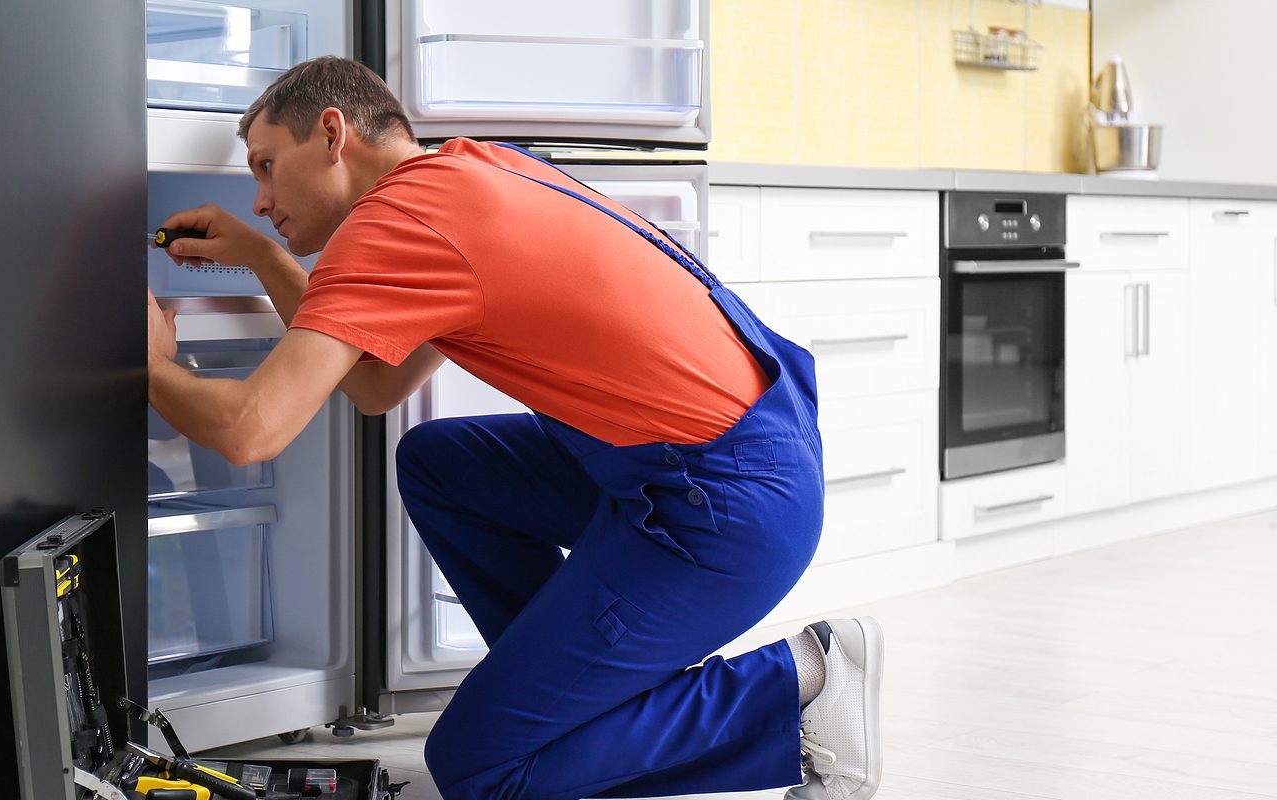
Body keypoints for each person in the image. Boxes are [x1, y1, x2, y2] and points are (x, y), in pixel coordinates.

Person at [146, 56, 884, 800]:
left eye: (268, 167)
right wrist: (264, 257)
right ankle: (562, 700)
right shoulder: (481, 170)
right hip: (750, 459)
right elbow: (376, 385)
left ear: (333, 133)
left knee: (480, 769)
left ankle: (803, 684)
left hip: (717, 511)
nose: (263, 198)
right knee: (439, 462)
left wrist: (141, 362)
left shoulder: (393, 223)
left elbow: (251, 431)